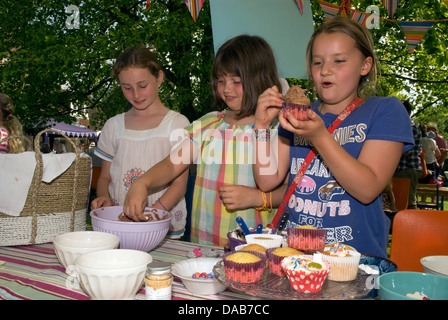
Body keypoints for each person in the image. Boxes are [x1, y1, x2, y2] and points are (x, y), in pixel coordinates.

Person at [253, 16, 414, 258]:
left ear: (365, 66)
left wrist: (320, 137)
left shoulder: (385, 111)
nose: (325, 70)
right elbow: (267, 181)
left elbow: (368, 188)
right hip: (295, 255)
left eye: (339, 61)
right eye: (317, 62)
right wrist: (262, 126)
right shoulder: (299, 115)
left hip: (355, 259)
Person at [123, 35, 287, 246]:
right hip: (204, 247)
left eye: (236, 81)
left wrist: (258, 199)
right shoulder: (208, 124)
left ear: (260, 79)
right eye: (221, 80)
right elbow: (171, 165)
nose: (226, 89)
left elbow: (292, 190)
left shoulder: (278, 130)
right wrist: (142, 183)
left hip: (256, 251)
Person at [91, 47, 190, 239]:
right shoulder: (113, 126)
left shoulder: (179, 124)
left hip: (162, 227)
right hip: (120, 225)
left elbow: (179, 184)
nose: (135, 94)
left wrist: (154, 214)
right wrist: (103, 197)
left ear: (159, 77)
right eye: (126, 87)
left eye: (142, 85)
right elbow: (105, 178)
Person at [393, 100, 423, 209]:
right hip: (403, 169)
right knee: (401, 201)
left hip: (408, 168)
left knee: (409, 201)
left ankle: (412, 225)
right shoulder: (406, 125)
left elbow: (405, 151)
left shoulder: (409, 126)